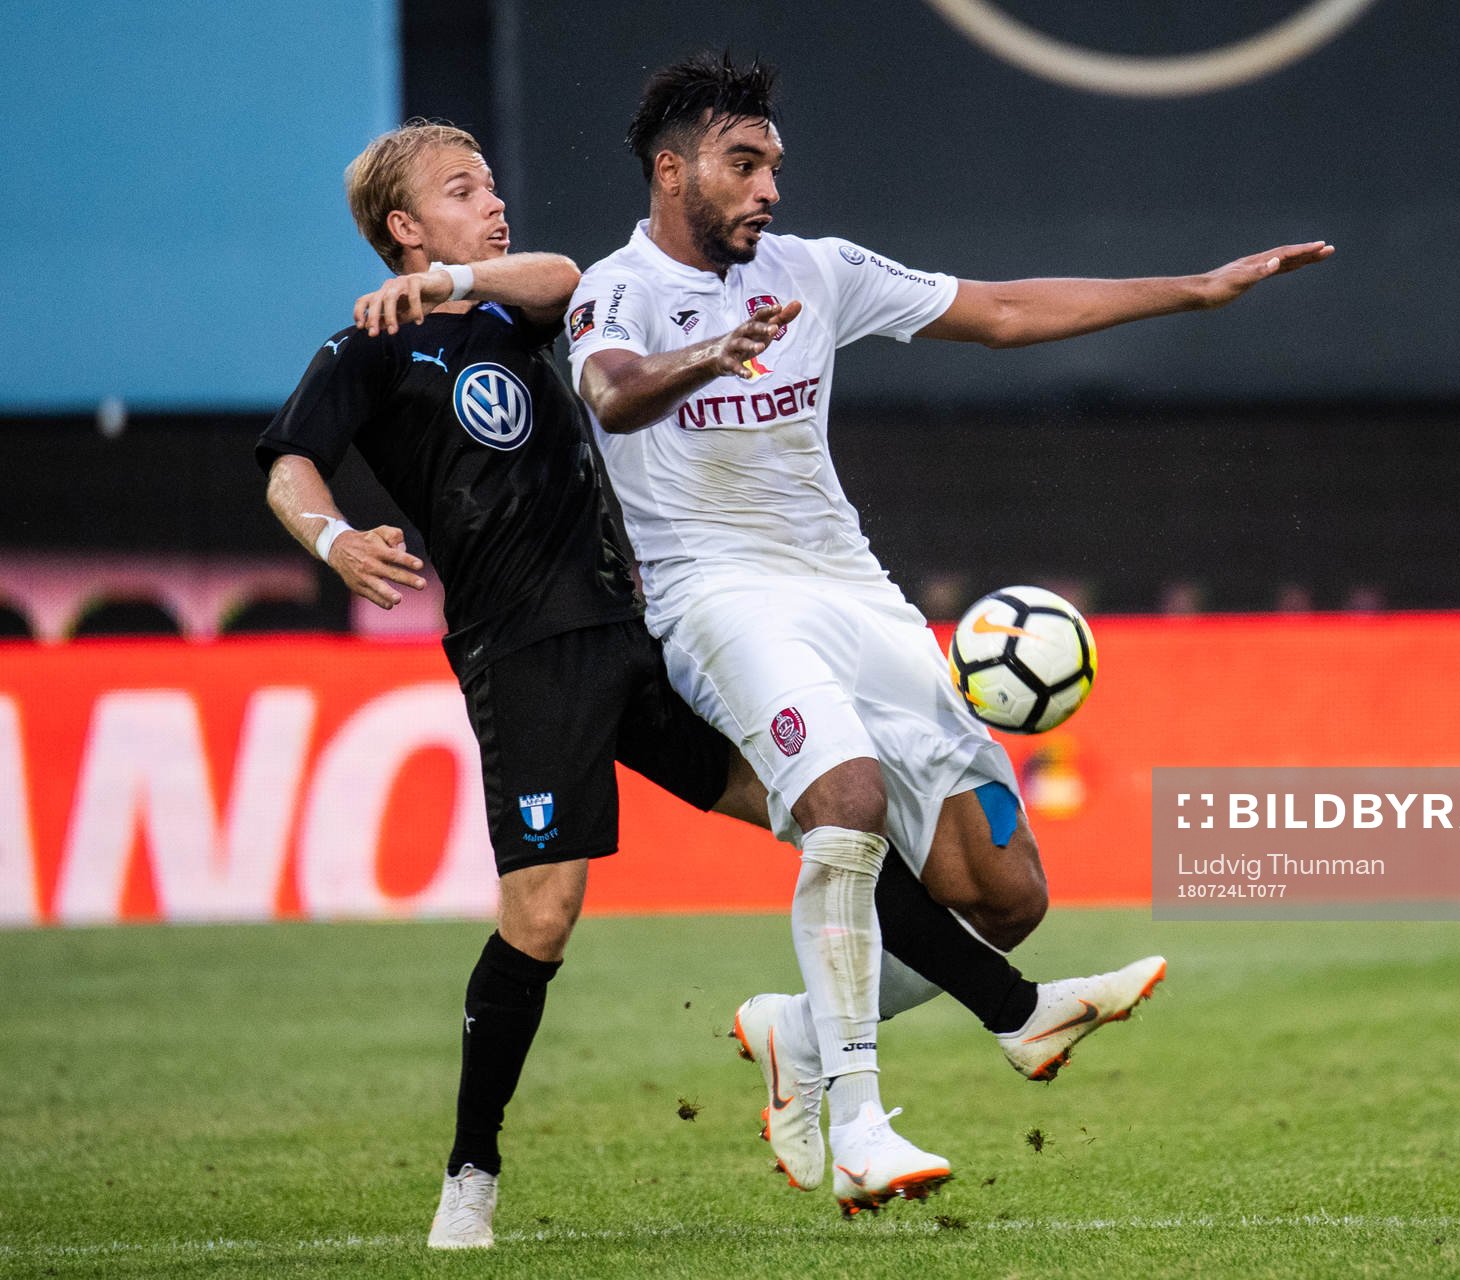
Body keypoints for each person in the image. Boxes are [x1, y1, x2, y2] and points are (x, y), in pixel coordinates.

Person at [260, 119, 1164, 1245]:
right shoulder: (369, 352)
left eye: (492, 182)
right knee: (544, 916)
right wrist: (335, 538)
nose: (493, 202)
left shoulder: (515, 304)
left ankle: (1006, 1013)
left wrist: (454, 273)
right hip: (527, 655)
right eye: (460, 190)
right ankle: (469, 1174)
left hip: (632, 636)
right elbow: (291, 460)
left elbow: (556, 276)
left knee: (832, 818)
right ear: (401, 225)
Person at [567, 52, 1331, 1215]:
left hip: (854, 592)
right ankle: (860, 1118)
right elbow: (615, 391)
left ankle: (802, 1035)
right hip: (720, 595)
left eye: (774, 161)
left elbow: (1006, 310)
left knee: (1005, 887)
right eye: (744, 162)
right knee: (848, 803)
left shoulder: (816, 272)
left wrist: (1197, 289)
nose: (771, 185)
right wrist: (710, 355)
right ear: (672, 171)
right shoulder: (613, 290)